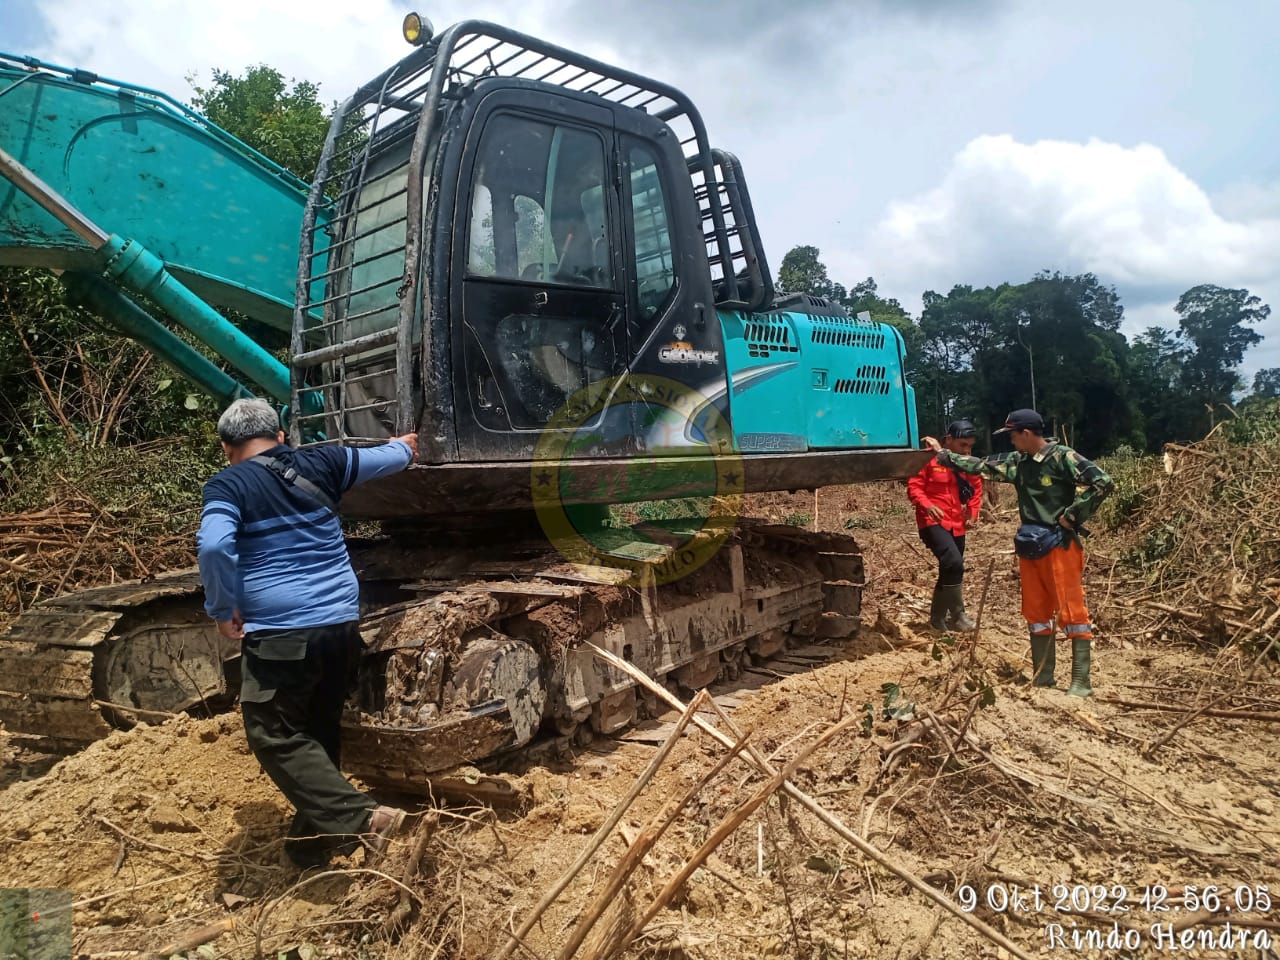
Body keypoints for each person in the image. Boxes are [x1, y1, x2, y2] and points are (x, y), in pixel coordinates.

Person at [196, 398, 418, 867]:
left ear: (226, 448)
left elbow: (215, 545)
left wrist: (221, 607)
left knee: (272, 734)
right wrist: (406, 445)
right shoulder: (326, 459)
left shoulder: (227, 484)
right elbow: (390, 457)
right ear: (280, 436)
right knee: (317, 733)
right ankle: (312, 848)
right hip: (341, 625)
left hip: (282, 635)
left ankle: (364, 820)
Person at [924, 409, 1114, 697]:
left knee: (1071, 608)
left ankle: (1080, 681)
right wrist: (945, 456)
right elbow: (981, 466)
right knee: (1036, 611)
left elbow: (1103, 482)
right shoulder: (1018, 462)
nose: (1011, 441)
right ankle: (1043, 676)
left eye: (1012, 435)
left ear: (1026, 433)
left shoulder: (1063, 457)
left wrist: (1074, 515)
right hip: (1030, 543)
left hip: (1060, 543)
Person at [907, 419, 984, 631]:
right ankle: (958, 615)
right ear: (948, 439)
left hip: (957, 522)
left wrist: (972, 513)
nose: (967, 450)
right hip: (932, 522)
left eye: (970, 446)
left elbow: (976, 487)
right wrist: (928, 505)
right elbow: (914, 488)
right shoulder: (927, 458)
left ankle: (937, 618)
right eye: (962, 445)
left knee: (950, 568)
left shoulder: (965, 462)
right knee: (953, 562)